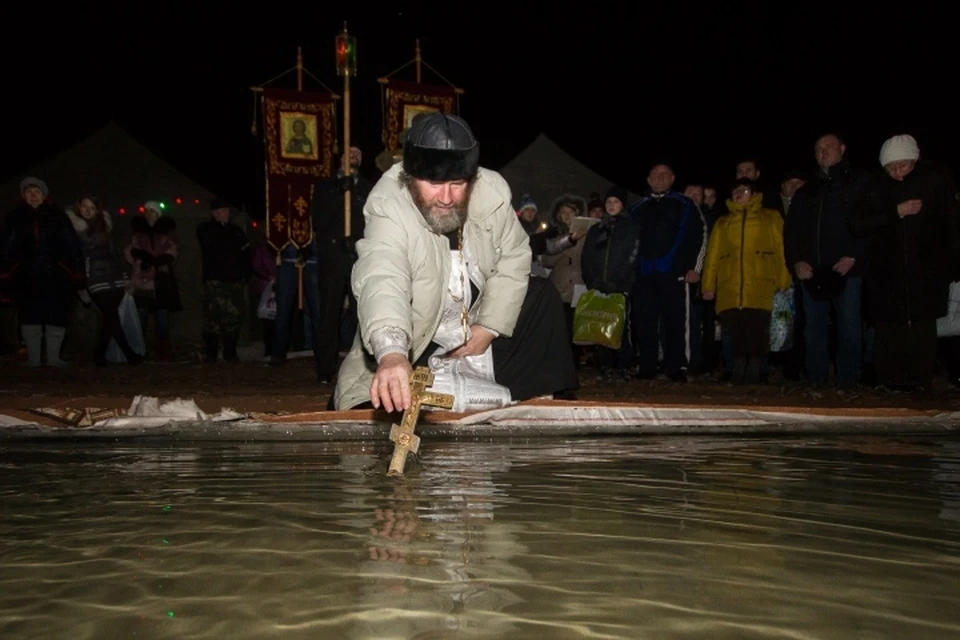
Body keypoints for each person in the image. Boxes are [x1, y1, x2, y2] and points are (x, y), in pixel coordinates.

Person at [333, 112, 578, 411]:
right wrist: (393, 354)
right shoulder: (388, 202)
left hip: (473, 328)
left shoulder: (492, 191)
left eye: (458, 183)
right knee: (389, 409)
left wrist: (488, 327)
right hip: (420, 337)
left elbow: (514, 258)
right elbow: (382, 276)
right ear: (410, 176)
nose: (446, 198)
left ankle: (537, 400)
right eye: (434, 183)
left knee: (541, 296)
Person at [852, 134, 960, 390]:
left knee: (922, 326)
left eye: (903, 165)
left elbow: (951, 222)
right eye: (891, 167)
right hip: (886, 271)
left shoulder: (934, 178)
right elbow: (857, 223)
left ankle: (919, 381)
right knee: (889, 327)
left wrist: (953, 261)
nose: (897, 172)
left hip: (926, 269)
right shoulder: (876, 185)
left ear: (915, 159)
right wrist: (895, 212)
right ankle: (889, 381)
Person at [701, 179, 792, 384]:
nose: (739, 194)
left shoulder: (770, 217)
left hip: (761, 283)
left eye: (743, 190)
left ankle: (758, 371)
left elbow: (781, 249)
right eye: (735, 192)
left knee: (758, 329)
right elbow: (712, 256)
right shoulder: (723, 222)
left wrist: (784, 278)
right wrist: (708, 285)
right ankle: (738, 370)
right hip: (730, 286)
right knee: (736, 331)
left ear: (754, 193)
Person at [0, 177, 84, 367]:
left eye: (37, 192)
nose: (33, 196)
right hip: (26, 274)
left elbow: (71, 245)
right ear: (23, 196)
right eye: (29, 192)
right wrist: (5, 272)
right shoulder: (15, 217)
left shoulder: (58, 217)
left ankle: (54, 357)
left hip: (56, 274)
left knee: (56, 313)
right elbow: (7, 247)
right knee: (30, 314)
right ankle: (34, 358)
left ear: (44, 195)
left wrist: (77, 272)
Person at [310, 146, 373, 383]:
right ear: (340, 159)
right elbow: (319, 220)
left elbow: (374, 221)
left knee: (362, 317)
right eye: (349, 153)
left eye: (358, 154)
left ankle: (364, 369)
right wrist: (339, 192)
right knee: (329, 316)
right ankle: (325, 369)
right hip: (332, 262)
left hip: (358, 260)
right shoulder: (325, 187)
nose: (354, 156)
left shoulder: (368, 188)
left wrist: (358, 241)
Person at [65, 195, 143, 366]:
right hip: (93, 274)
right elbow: (87, 243)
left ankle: (99, 355)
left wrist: (124, 274)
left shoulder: (104, 226)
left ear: (97, 210)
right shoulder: (74, 227)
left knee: (110, 316)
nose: (88, 210)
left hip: (113, 274)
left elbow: (112, 251)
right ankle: (129, 354)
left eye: (92, 208)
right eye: (85, 206)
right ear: (79, 208)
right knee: (110, 314)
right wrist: (79, 282)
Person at [196, 198, 252, 362]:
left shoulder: (237, 231)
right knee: (213, 317)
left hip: (235, 281)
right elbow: (212, 246)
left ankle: (230, 353)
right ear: (214, 213)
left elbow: (246, 253)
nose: (226, 214)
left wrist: (245, 274)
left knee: (233, 317)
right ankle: (211, 354)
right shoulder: (206, 229)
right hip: (215, 280)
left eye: (227, 210)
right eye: (222, 210)